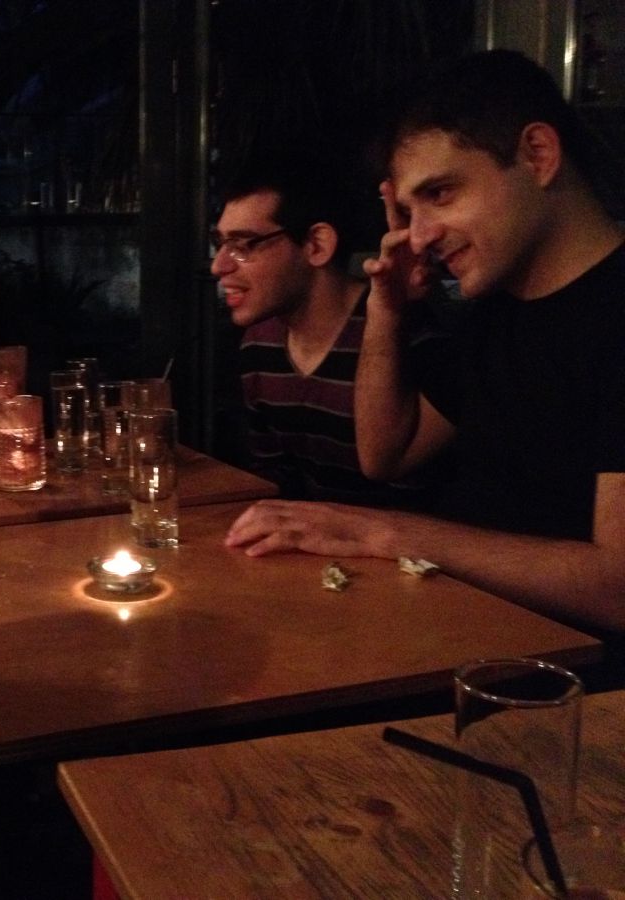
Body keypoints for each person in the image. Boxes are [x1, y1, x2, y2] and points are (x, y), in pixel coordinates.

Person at [225, 50, 625, 637]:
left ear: (538, 155)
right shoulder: (494, 310)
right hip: (462, 637)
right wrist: (386, 306)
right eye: (408, 211)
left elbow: (618, 588)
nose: (418, 237)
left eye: (440, 194)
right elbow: (386, 453)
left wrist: (384, 532)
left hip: (571, 678)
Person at [211, 155, 452, 506]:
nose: (219, 266)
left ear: (317, 245)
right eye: (220, 243)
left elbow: (422, 500)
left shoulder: (402, 333)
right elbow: (274, 480)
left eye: (243, 245)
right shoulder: (260, 342)